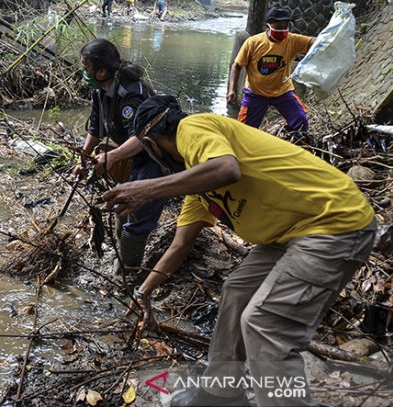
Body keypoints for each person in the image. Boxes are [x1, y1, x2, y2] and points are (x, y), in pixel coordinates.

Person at [102, 95, 377, 407]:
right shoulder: (198, 184)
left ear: (152, 143)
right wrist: (144, 292)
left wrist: (147, 189)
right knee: (237, 291)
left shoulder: (193, 127)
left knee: (264, 323)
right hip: (291, 233)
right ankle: (222, 393)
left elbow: (226, 169)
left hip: (334, 223)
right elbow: (180, 245)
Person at [72, 39, 167, 274]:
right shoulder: (101, 91)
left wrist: (112, 156)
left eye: (87, 69)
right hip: (131, 156)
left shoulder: (130, 93)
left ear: (102, 71)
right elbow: (96, 128)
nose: (85, 73)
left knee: (137, 214)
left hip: (155, 157)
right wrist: (82, 158)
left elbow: (143, 136)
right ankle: (121, 258)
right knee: (121, 204)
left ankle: (129, 270)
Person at [227, 7, 315, 131]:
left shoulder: (292, 40)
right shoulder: (253, 43)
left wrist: (333, 37)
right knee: (245, 131)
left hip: (282, 92)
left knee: (300, 121)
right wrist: (232, 90)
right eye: (278, 27)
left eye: (285, 27)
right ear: (268, 27)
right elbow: (237, 66)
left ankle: (293, 144)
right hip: (255, 94)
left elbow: (314, 42)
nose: (283, 30)